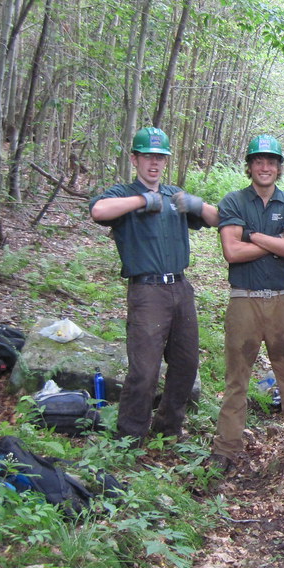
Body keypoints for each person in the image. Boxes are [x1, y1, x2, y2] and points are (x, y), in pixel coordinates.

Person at [89, 126, 219, 442]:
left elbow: (218, 219)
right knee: (144, 370)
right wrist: (141, 201)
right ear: (135, 159)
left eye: (160, 157)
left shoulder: (174, 195)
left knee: (186, 364)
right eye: (148, 156)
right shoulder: (123, 194)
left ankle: (169, 427)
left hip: (181, 288)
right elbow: (98, 211)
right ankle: (130, 435)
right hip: (147, 292)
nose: (154, 163)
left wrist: (197, 205)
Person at [207, 134, 284, 475]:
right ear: (249, 166)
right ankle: (226, 447)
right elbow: (232, 252)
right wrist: (277, 241)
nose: (265, 167)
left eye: (271, 162)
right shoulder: (234, 201)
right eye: (258, 161)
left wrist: (253, 235)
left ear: (279, 168)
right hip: (244, 301)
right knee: (237, 378)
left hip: (282, 301)